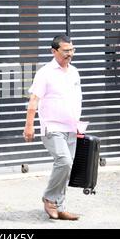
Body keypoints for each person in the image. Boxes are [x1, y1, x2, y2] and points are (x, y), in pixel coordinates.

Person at [23, 35, 82, 221]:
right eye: (65, 51)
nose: (70, 54)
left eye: (72, 50)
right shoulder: (45, 73)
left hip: (72, 127)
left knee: (67, 167)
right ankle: (49, 198)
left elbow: (75, 99)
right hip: (52, 126)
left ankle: (60, 206)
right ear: (54, 51)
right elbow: (34, 100)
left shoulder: (74, 72)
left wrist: (78, 124)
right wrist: (29, 126)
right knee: (64, 161)